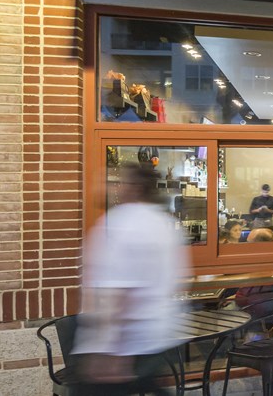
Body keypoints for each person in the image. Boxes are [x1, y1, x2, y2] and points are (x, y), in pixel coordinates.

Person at [72, 165, 188, 395]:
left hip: (123, 343)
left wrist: (109, 350)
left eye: (119, 182)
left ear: (134, 187)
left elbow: (118, 291)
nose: (114, 188)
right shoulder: (165, 225)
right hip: (157, 334)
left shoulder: (120, 223)